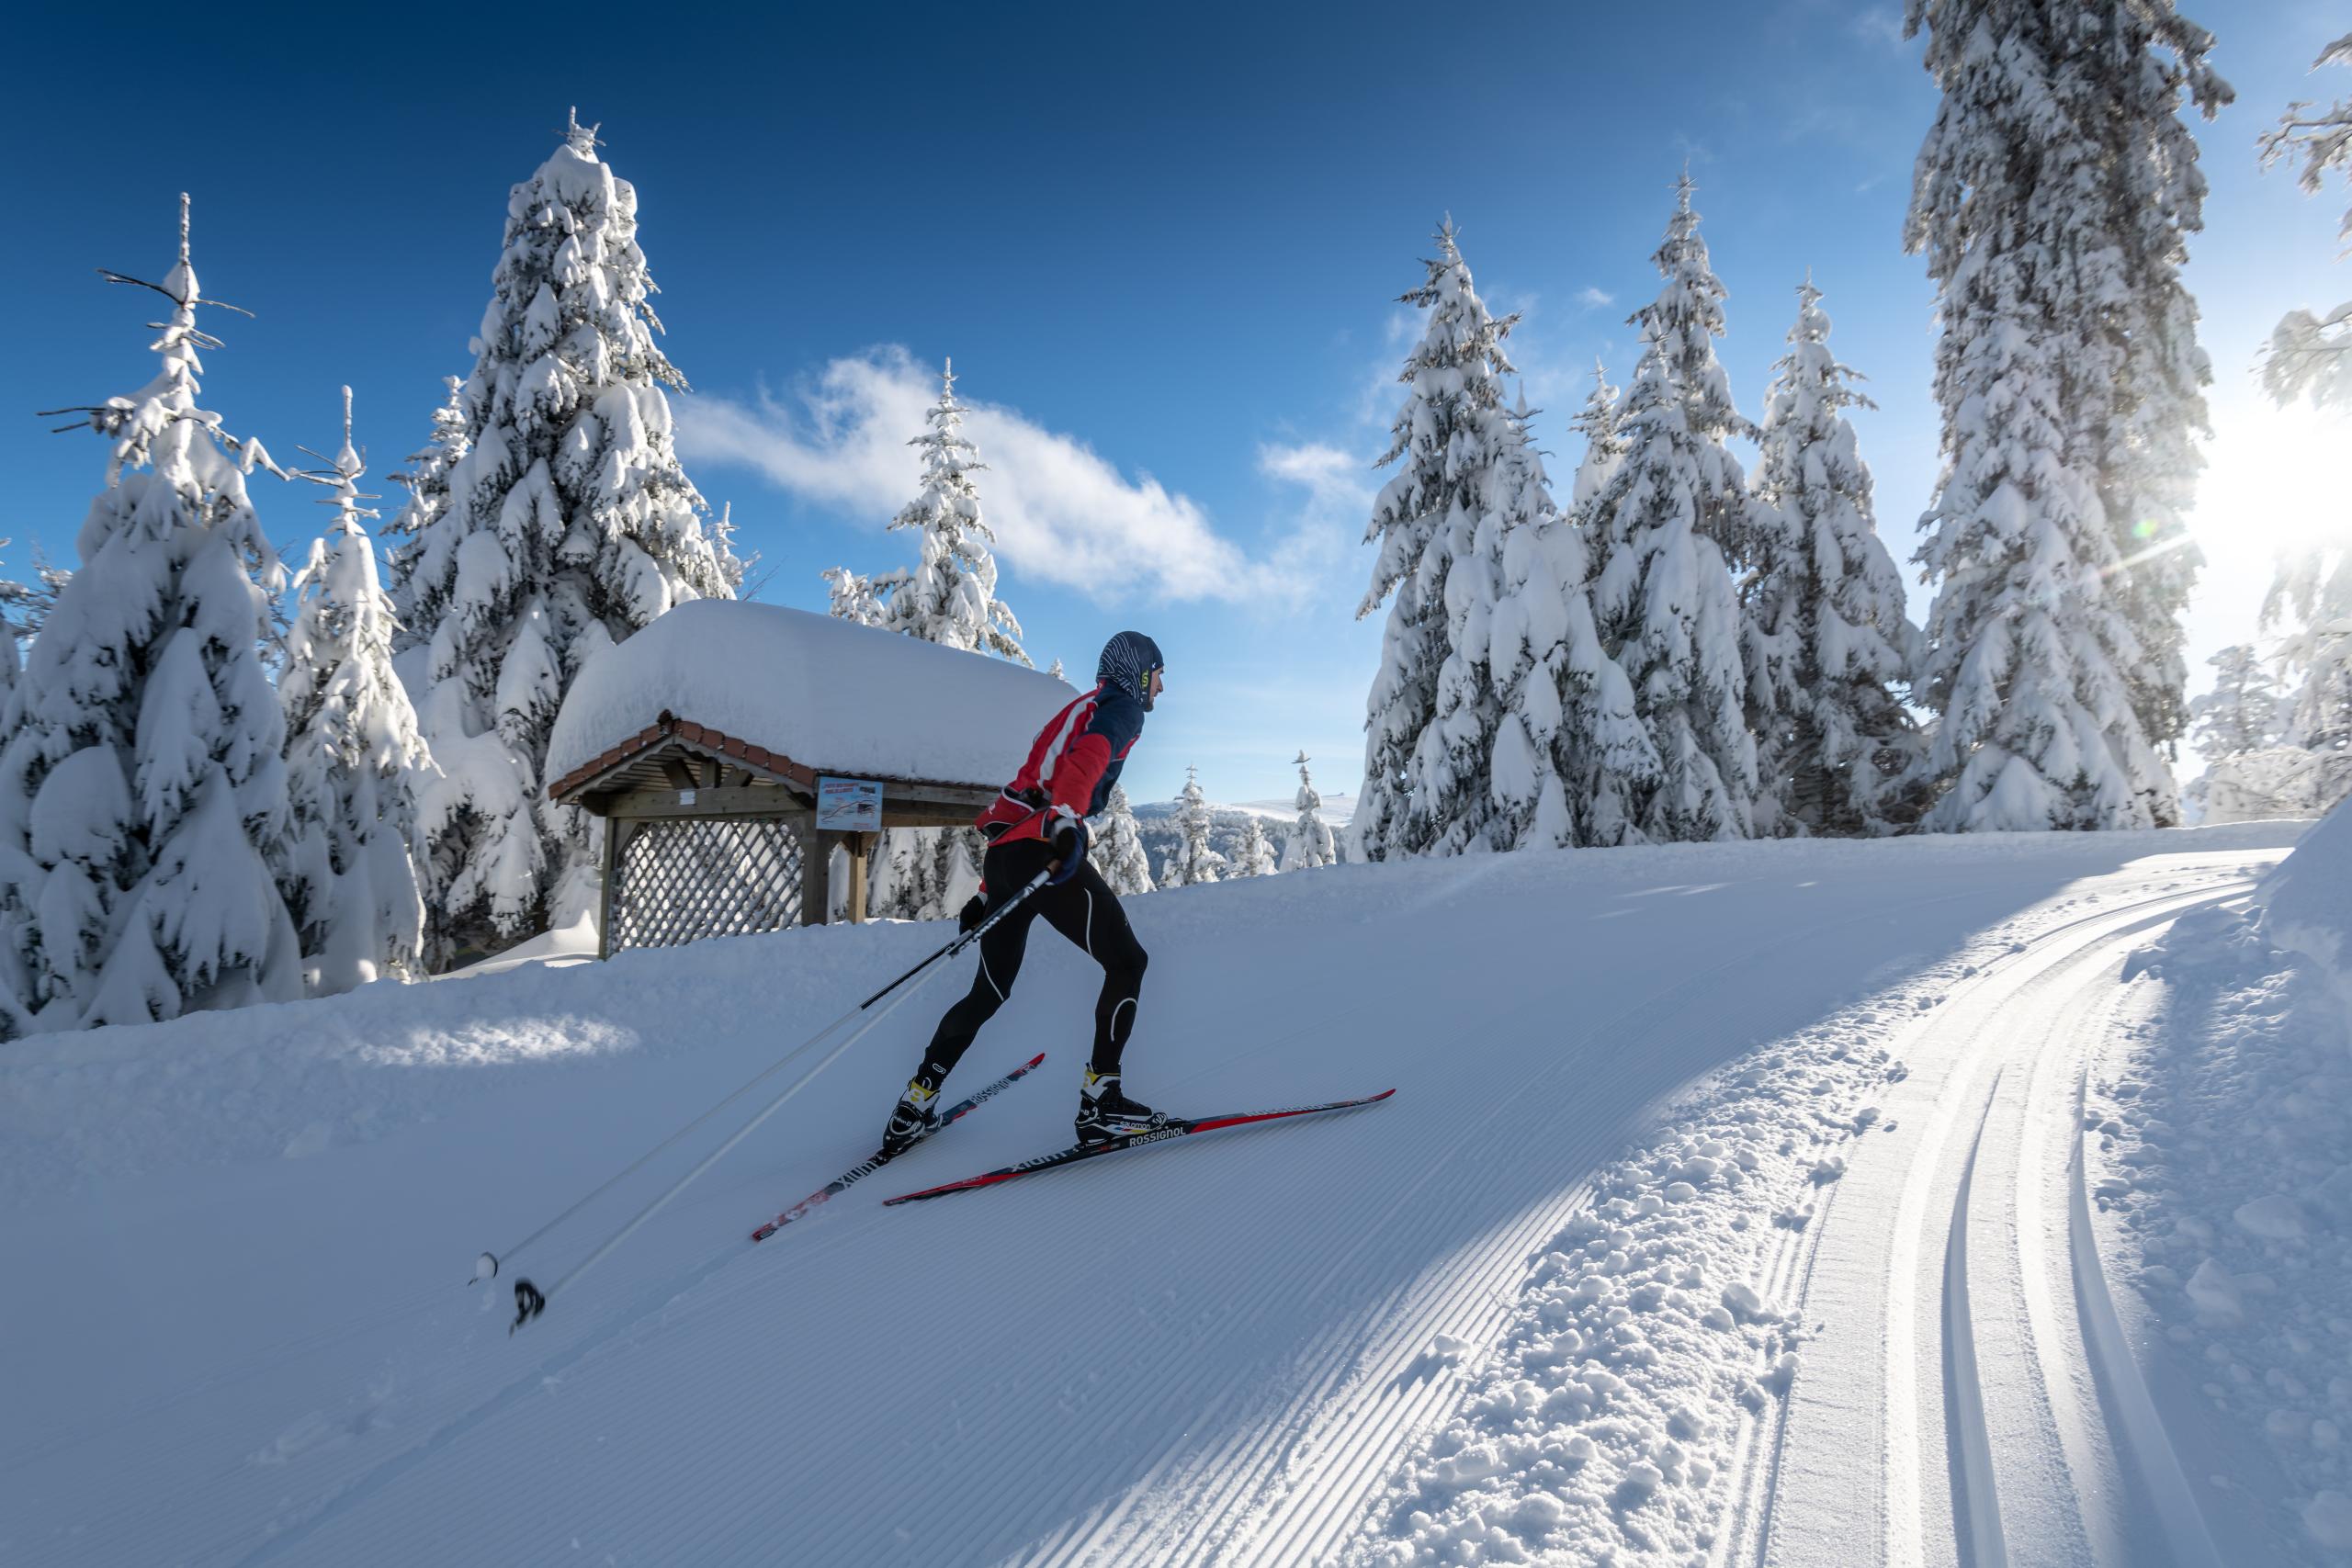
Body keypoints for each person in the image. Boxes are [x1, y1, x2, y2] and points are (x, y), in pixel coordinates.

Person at [881, 632, 1167, 1155]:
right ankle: (1102, 1104)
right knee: (1128, 962)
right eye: (1157, 675)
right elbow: (1091, 756)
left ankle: (914, 1103)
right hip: (1044, 851)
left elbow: (1017, 801)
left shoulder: (1081, 705)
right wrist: (1064, 822)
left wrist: (987, 892)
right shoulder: (1120, 706)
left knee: (989, 990)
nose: (1160, 688)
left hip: (1011, 857)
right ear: (1138, 672)